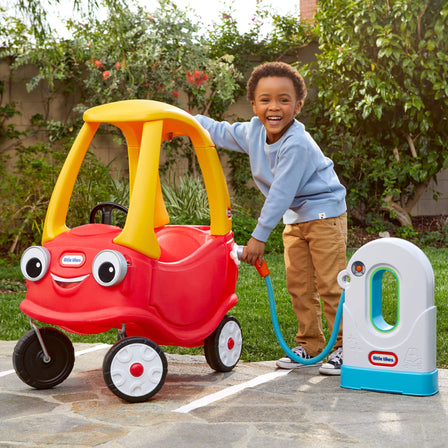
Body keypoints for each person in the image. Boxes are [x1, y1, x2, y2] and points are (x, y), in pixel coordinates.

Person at [194, 61, 347, 375]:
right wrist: (181, 121)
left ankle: (347, 346)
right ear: (253, 104)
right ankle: (312, 343)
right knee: (299, 285)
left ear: (298, 105)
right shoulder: (253, 132)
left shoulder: (297, 144)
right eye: (265, 100)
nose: (274, 107)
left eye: (284, 99)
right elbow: (219, 131)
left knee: (331, 284)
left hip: (325, 215)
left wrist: (259, 237)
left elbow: (280, 193)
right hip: (296, 217)